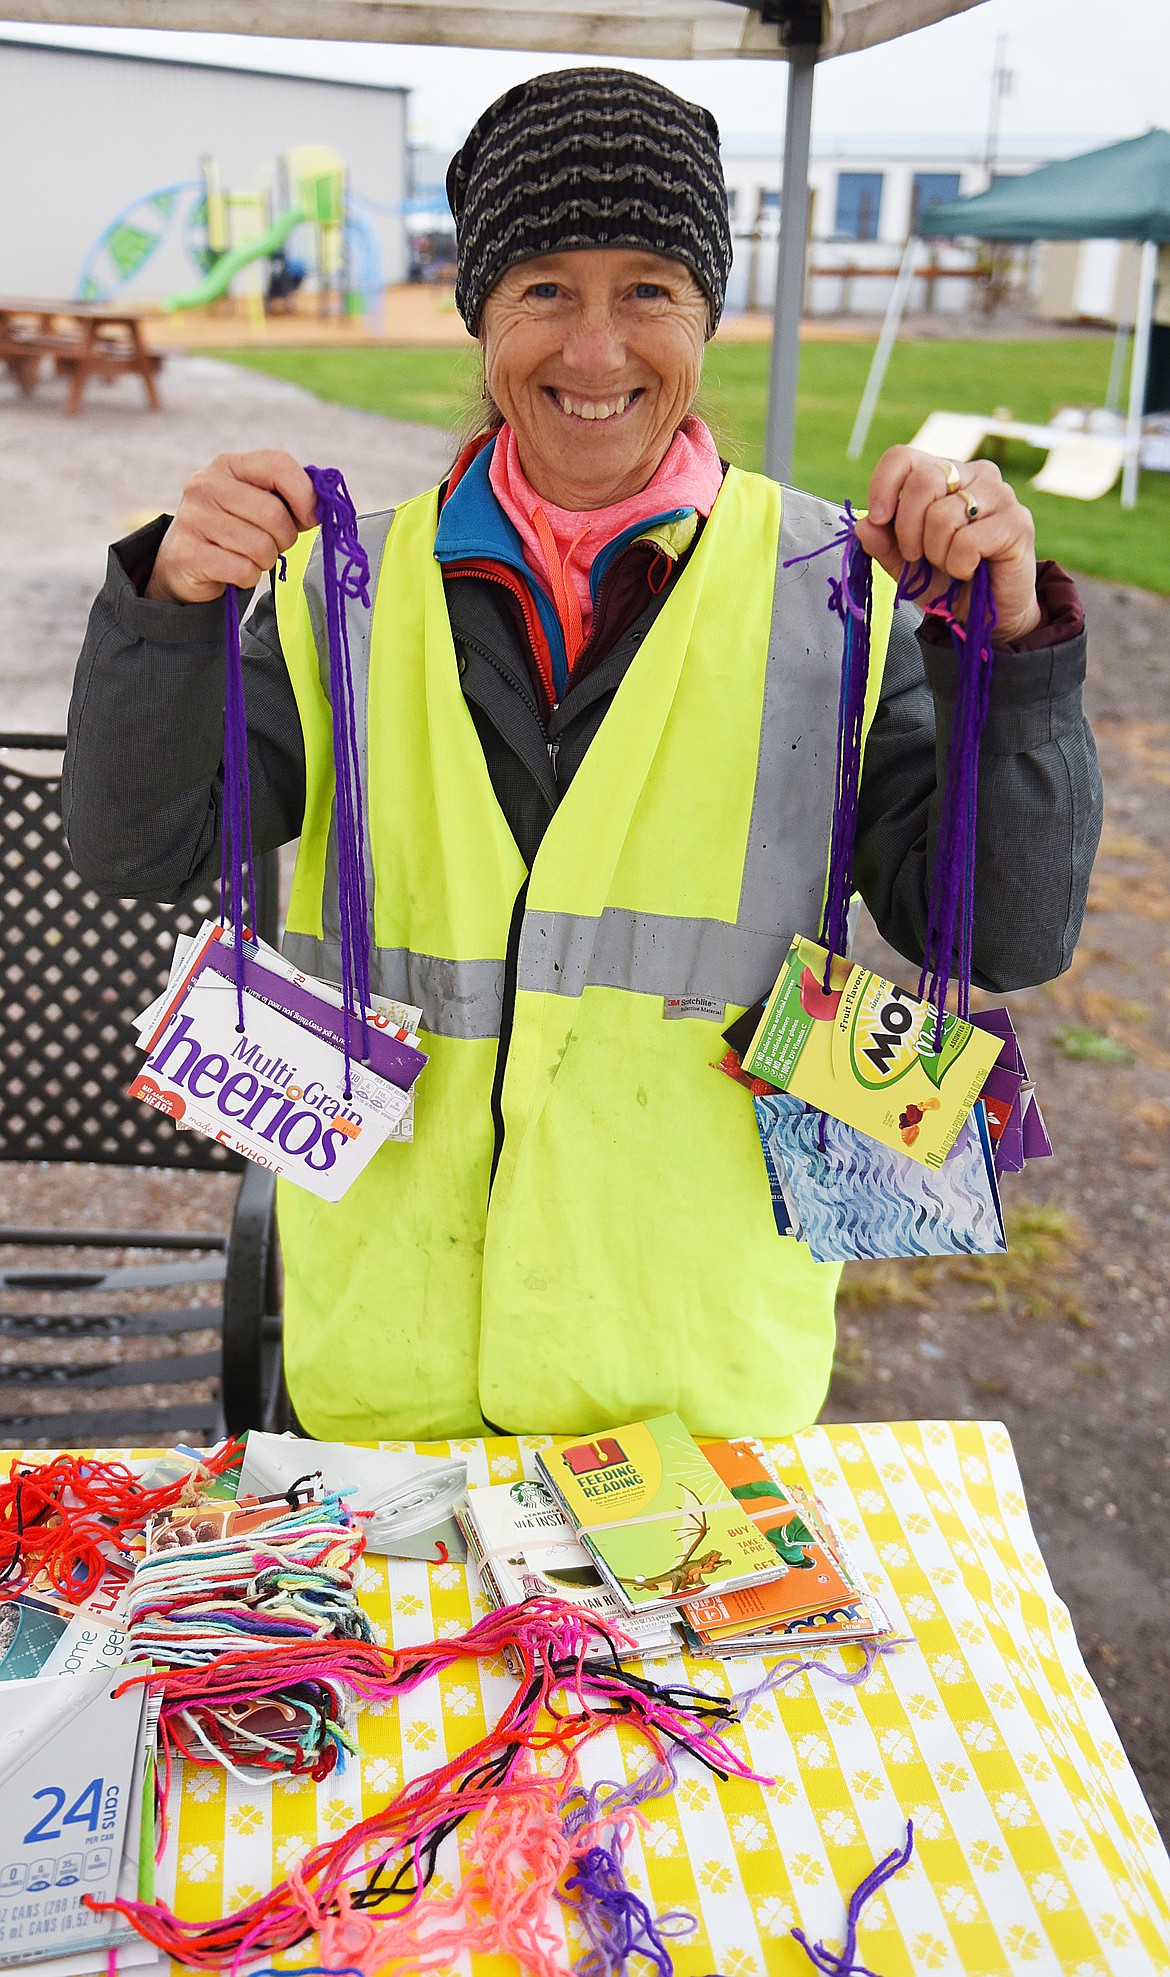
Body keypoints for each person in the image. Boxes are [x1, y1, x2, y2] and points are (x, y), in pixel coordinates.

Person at [64, 69, 1101, 1445]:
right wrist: (168, 615)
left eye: (649, 290)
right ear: (479, 313)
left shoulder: (834, 593)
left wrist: (1010, 657)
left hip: (688, 1389)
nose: (596, 350)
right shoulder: (341, 587)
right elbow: (137, 845)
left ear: (706, 316)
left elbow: (1001, 929)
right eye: (544, 288)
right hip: (386, 1376)